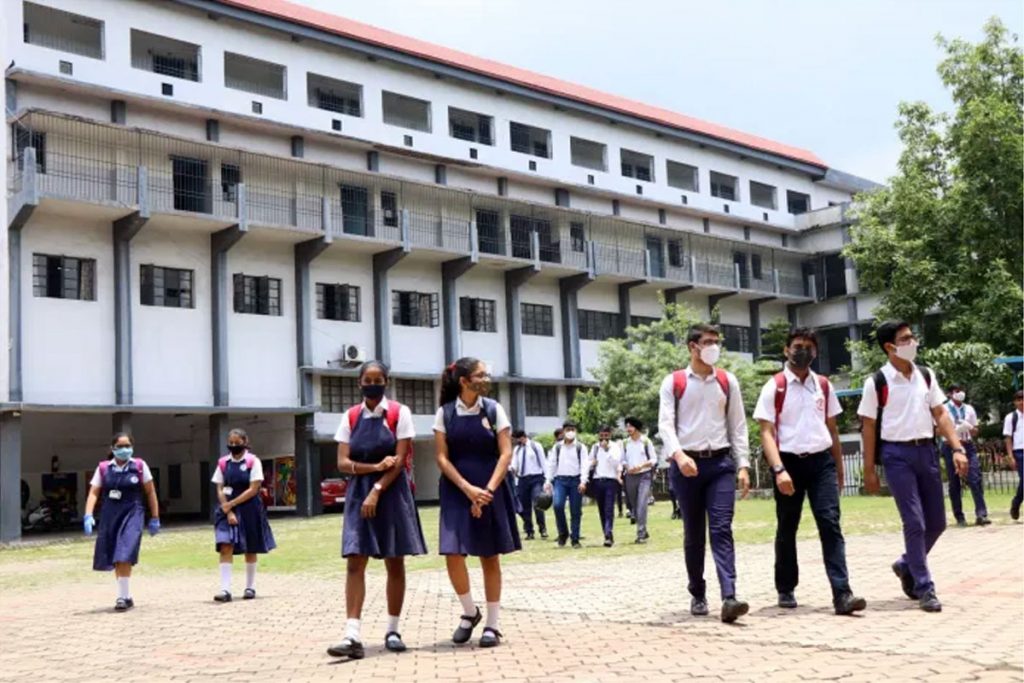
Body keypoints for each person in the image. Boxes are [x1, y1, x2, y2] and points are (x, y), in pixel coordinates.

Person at [753, 327, 866, 616]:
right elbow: (766, 432)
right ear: (786, 350)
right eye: (797, 346)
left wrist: (838, 467)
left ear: (815, 352)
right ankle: (786, 587)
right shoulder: (775, 386)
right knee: (787, 525)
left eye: (808, 347)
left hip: (821, 463)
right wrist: (779, 469)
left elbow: (832, 429)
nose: (802, 351)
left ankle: (842, 593)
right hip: (788, 463)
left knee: (830, 524)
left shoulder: (823, 385)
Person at [858, 320, 968, 613]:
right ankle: (924, 587)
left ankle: (906, 563)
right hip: (896, 454)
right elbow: (868, 427)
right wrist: (869, 470)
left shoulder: (925, 376)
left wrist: (957, 448)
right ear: (889, 347)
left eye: (912, 337)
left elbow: (941, 413)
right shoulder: (877, 382)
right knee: (914, 521)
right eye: (906, 339)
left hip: (926, 451)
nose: (913, 342)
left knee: (937, 522)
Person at [328, 361, 425, 659]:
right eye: (367, 380)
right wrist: (372, 469)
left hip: (392, 492)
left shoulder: (398, 413)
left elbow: (400, 460)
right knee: (355, 560)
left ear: (386, 382)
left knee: (394, 561)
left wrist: (377, 488)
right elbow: (342, 462)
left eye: (378, 379)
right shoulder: (351, 416)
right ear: (359, 383)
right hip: (359, 493)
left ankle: (393, 630)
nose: (372, 384)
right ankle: (352, 635)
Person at [658, 323, 751, 623]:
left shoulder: (727, 381)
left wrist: (743, 464)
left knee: (722, 528)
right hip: (687, 465)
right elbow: (665, 425)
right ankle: (697, 592)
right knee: (694, 533)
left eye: (716, 341)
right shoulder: (674, 382)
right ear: (692, 346)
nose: (714, 347)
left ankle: (729, 596)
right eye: (708, 341)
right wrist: (678, 455)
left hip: (720, 465)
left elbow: (738, 425)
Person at [435, 357, 519, 648]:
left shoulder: (494, 410)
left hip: (490, 487)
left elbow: (505, 453)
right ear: (464, 381)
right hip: (456, 489)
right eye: (481, 375)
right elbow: (441, 458)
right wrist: (468, 489)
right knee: (452, 552)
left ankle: (492, 625)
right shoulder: (445, 413)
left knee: (489, 554)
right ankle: (470, 612)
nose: (486, 379)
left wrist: (486, 491)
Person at [83, 433, 160, 611]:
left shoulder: (139, 466)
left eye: (128, 446)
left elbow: (150, 492)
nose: (124, 450)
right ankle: (125, 595)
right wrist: (88, 515)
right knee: (116, 556)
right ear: (113, 449)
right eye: (120, 446)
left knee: (124, 553)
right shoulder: (104, 468)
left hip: (133, 513)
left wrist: (155, 517)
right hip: (110, 515)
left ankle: (122, 597)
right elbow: (94, 492)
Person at [211, 428, 276, 604]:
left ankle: (250, 587)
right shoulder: (223, 463)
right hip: (226, 509)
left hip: (249, 508)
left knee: (250, 547)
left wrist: (232, 504)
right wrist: (228, 509)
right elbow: (219, 487)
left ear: (245, 442)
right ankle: (225, 589)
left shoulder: (253, 461)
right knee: (225, 545)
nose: (233, 446)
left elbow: (253, 489)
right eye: (230, 443)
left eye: (237, 443)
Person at [940, 384, 989, 527]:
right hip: (950, 445)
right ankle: (959, 517)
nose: (960, 393)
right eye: (957, 391)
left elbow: (975, 431)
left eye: (962, 390)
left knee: (975, 478)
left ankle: (981, 514)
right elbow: (937, 430)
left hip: (968, 444)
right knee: (954, 481)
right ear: (950, 394)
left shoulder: (969, 409)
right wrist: (954, 430)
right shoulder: (943, 409)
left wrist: (969, 427)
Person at [544, 420, 587, 548]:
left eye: (572, 430)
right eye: (568, 430)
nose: (570, 432)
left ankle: (575, 538)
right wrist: (548, 480)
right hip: (560, 480)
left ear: (576, 431)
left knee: (575, 510)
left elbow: (585, 465)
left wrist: (583, 481)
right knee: (557, 506)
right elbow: (551, 464)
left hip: (576, 481)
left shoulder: (580, 447)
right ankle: (563, 533)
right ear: (563, 431)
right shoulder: (557, 447)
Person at [581, 426, 623, 547]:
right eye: (601, 435)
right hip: (597, 481)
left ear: (610, 435)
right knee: (601, 509)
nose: (603, 438)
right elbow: (588, 464)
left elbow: (616, 463)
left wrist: (607, 450)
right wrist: (585, 477)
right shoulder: (595, 447)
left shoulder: (615, 447)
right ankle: (606, 532)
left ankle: (608, 533)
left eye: (606, 435)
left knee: (609, 508)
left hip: (610, 481)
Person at [621, 416, 657, 544]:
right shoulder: (625, 443)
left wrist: (641, 466)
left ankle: (640, 534)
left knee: (642, 504)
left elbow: (654, 459)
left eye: (630, 426)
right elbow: (622, 460)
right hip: (630, 476)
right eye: (627, 426)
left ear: (636, 427)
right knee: (634, 505)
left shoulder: (646, 442)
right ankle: (643, 529)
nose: (628, 428)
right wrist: (627, 467)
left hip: (644, 476)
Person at [510, 430, 548, 540]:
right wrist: (511, 469)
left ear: (522, 437)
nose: (516, 441)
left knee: (537, 502)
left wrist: (547, 479)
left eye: (517, 439)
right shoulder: (517, 449)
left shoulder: (535, 446)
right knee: (524, 506)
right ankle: (529, 530)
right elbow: (514, 464)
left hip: (536, 477)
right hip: (522, 479)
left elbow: (543, 462)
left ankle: (542, 528)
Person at [1004, 390, 1024, 521]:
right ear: (1015, 402)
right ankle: (1016, 503)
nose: (1022, 402)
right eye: (1019, 400)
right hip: (1019, 452)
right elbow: (1008, 438)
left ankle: (1016, 502)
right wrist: (1010, 456)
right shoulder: (1011, 417)